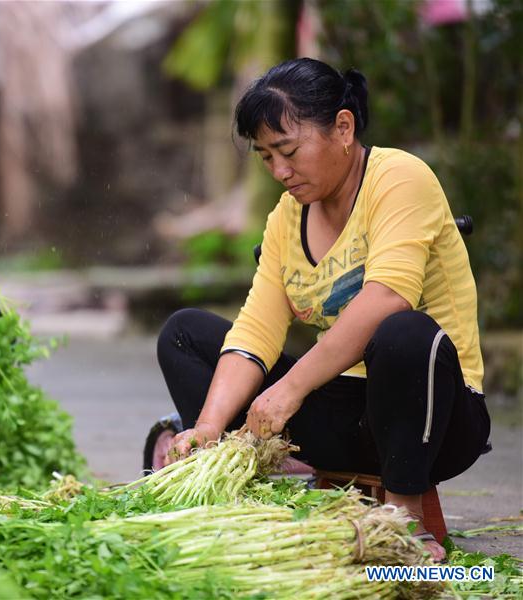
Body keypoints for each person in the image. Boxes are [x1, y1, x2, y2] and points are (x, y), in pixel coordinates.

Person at [155, 58, 490, 562]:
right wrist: (208, 425)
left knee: (402, 330)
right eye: (266, 158)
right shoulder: (286, 218)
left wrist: (288, 390)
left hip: (433, 420)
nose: (280, 171)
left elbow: (387, 297)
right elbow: (255, 331)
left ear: (343, 127)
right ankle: (253, 488)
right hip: (342, 420)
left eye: (288, 151)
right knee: (185, 333)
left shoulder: (400, 178)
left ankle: (400, 524)